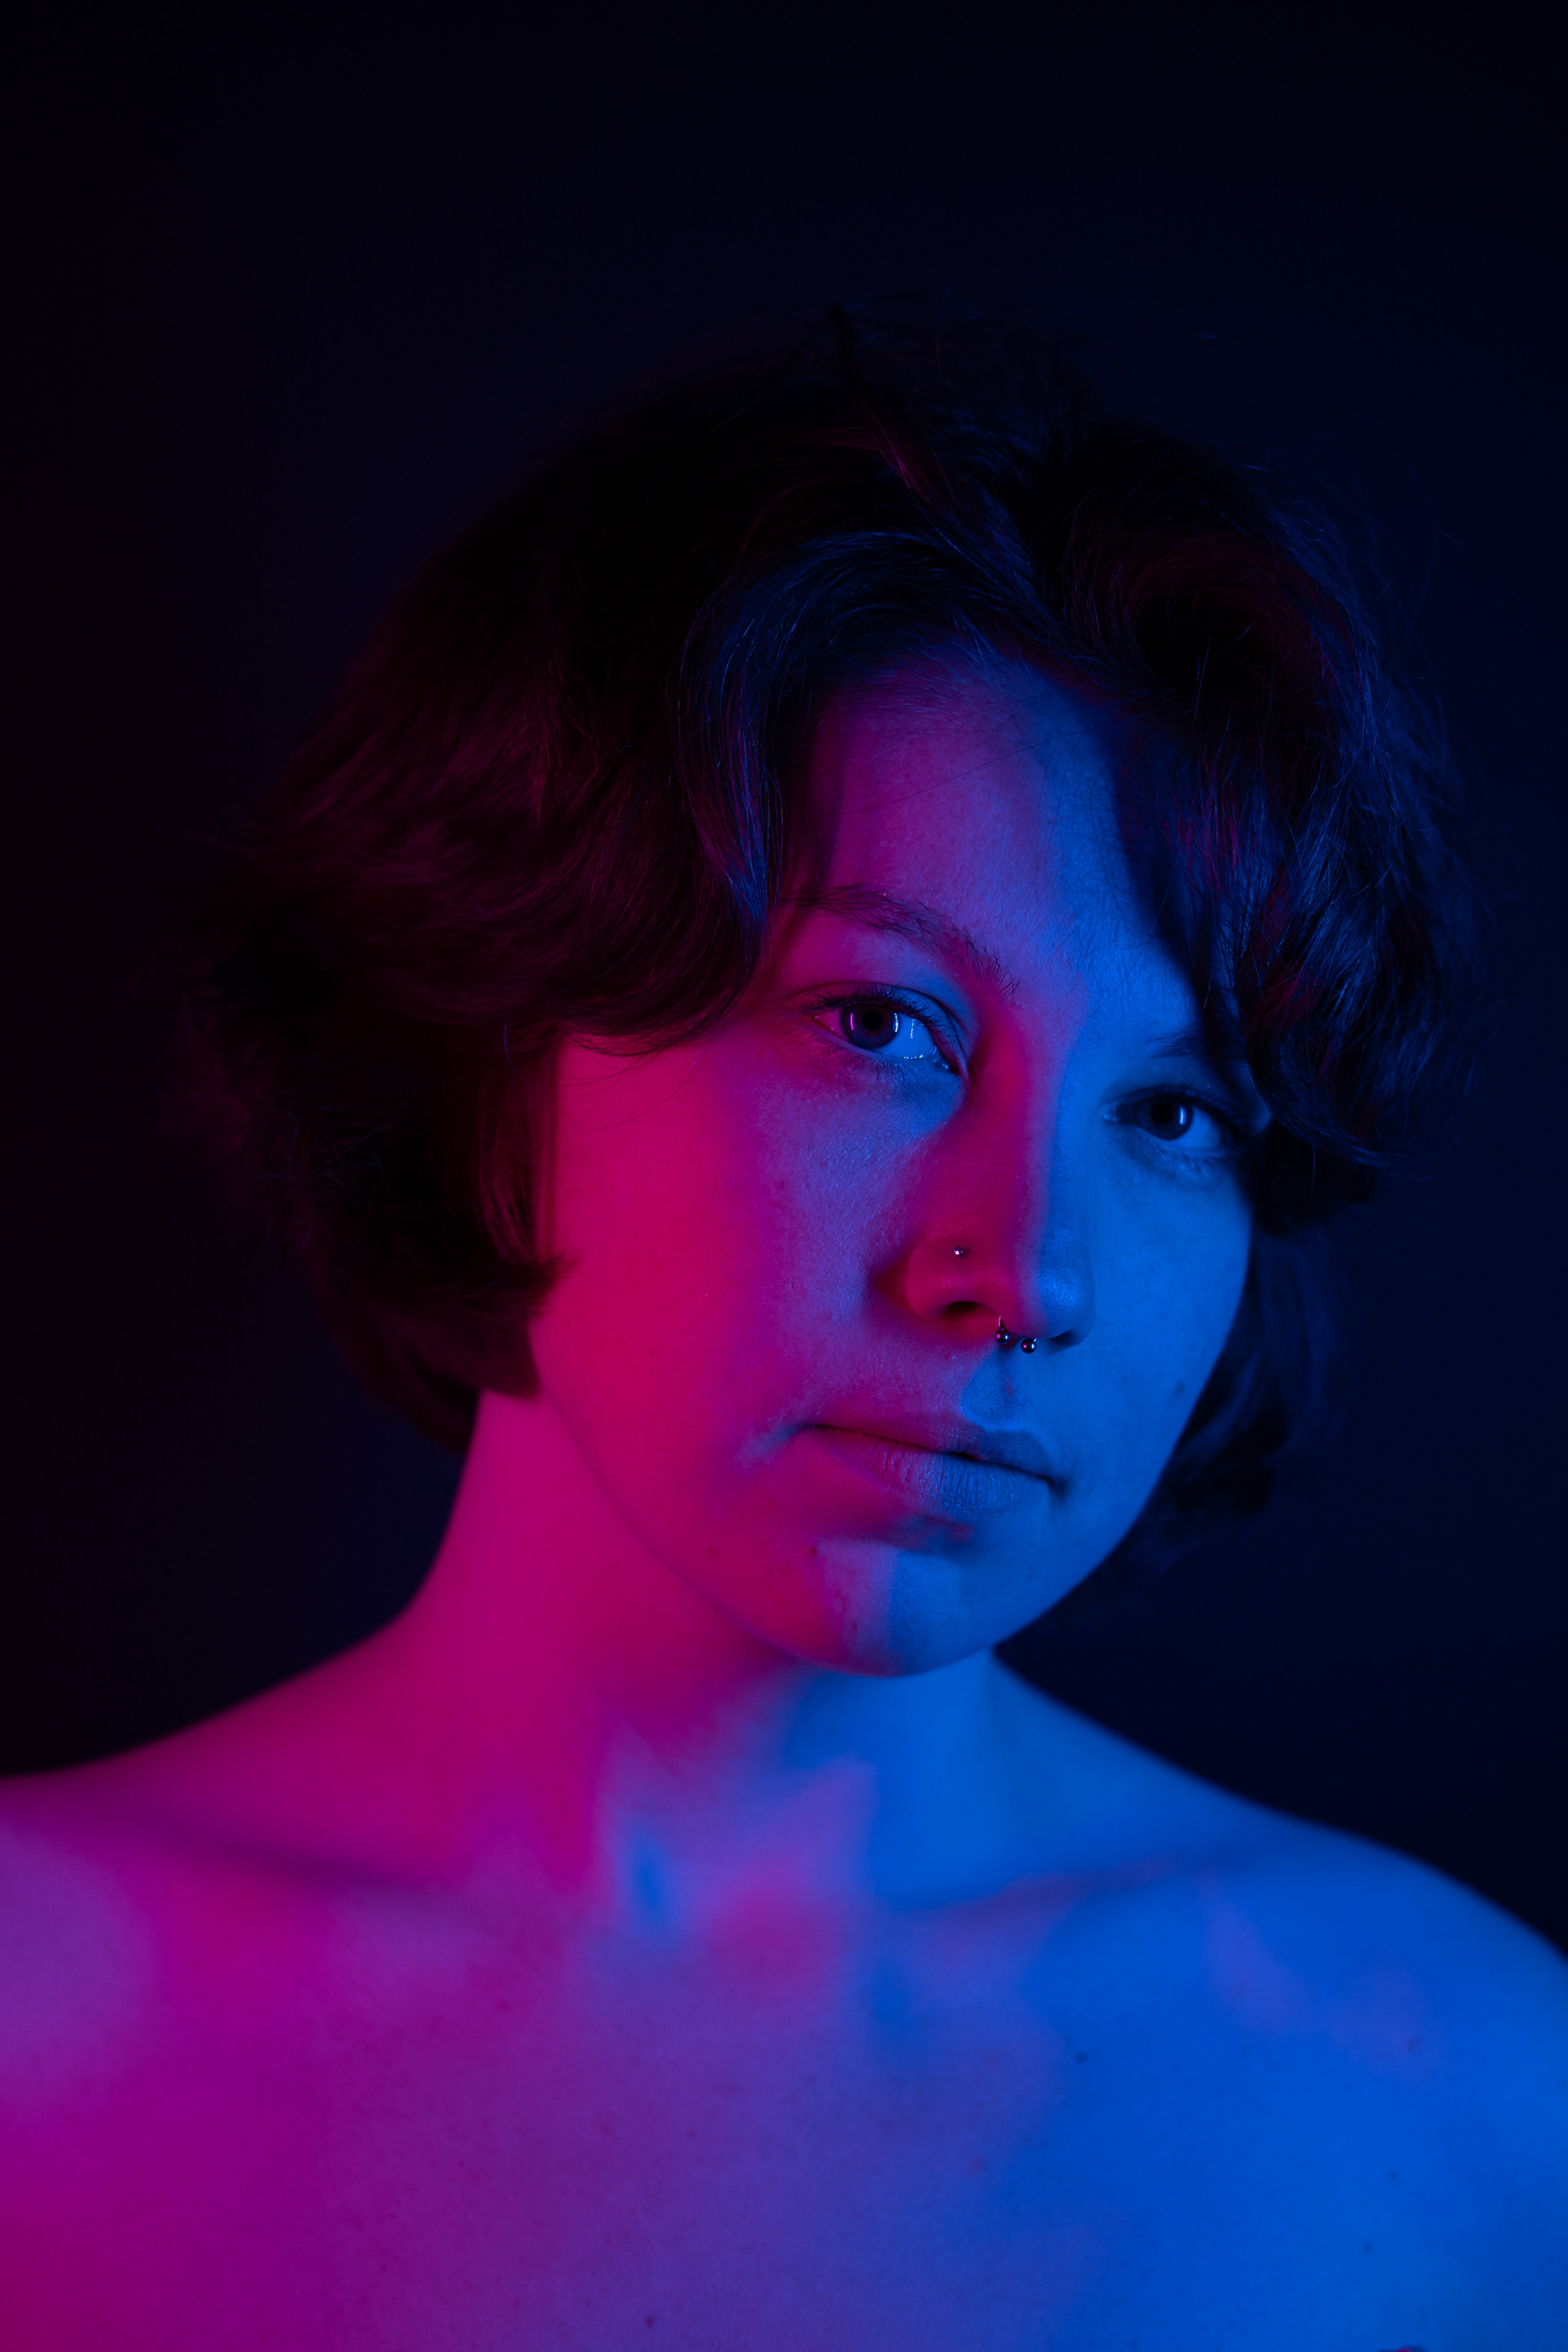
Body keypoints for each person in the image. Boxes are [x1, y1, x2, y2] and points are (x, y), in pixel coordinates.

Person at [2, 317, 1563, 2350]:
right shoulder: (36, 2031)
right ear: (493, 1046)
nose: (1028, 1272)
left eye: (1176, 1115)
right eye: (880, 1024)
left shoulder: (1476, 2105)